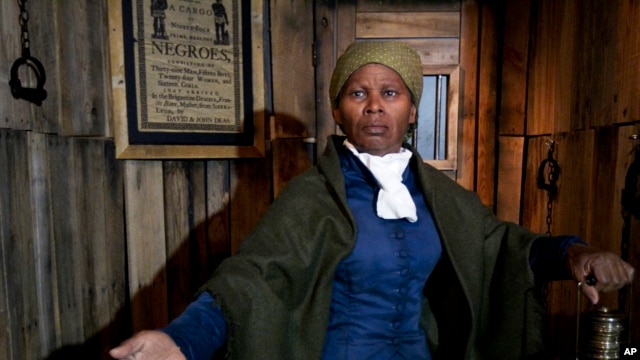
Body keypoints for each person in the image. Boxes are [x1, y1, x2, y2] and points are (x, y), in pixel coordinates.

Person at [110, 41, 635, 360]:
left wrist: (572, 254)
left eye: (391, 92)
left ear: (412, 110)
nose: (375, 107)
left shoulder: (443, 198)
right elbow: (251, 279)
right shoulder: (313, 198)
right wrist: (183, 339)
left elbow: (504, 247)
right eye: (357, 93)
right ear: (338, 113)